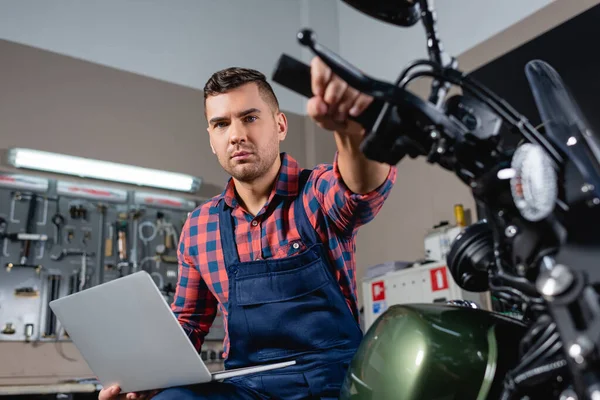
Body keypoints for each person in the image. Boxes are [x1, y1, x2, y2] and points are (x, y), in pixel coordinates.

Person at [99, 57, 397, 400]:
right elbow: (189, 323)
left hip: (335, 384)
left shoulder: (316, 192)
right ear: (211, 140)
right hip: (247, 390)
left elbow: (359, 190)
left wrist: (351, 132)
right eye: (221, 124)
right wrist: (144, 379)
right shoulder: (200, 227)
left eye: (250, 118)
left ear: (280, 125)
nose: (237, 135)